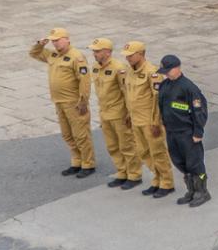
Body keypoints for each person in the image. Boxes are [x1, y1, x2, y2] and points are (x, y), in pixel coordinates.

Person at [29, 27, 96, 178]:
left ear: (67, 39)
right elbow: (33, 54)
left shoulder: (77, 57)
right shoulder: (53, 54)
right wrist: (40, 44)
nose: (55, 43)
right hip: (59, 102)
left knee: (81, 135)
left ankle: (88, 163)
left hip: (74, 102)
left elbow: (84, 81)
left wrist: (83, 101)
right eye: (53, 41)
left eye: (58, 40)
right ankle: (76, 161)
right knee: (67, 134)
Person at [155, 55, 211, 208]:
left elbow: (199, 112)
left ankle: (202, 192)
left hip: (187, 133)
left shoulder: (189, 88)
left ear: (177, 68)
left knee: (194, 163)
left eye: (168, 71)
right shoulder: (165, 85)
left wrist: (198, 133)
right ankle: (191, 190)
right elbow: (162, 106)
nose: (166, 74)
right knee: (180, 162)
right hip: (172, 132)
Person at [122, 41, 174, 199]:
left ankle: (167, 182)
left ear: (141, 54)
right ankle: (156, 179)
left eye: (131, 55)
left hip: (149, 121)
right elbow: (130, 95)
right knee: (144, 152)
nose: (128, 58)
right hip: (136, 119)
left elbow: (158, 99)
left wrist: (156, 122)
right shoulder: (130, 72)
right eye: (126, 56)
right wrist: (128, 115)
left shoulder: (153, 73)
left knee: (157, 152)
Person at [88, 38, 142, 190]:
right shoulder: (95, 67)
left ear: (107, 52)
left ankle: (134, 174)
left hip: (119, 113)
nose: (94, 54)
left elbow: (127, 92)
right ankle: (122, 172)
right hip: (105, 113)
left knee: (127, 145)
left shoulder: (119, 68)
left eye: (97, 51)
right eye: (93, 51)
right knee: (112, 146)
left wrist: (129, 113)